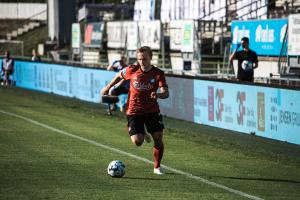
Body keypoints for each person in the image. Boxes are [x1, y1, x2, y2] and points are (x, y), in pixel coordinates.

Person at [101, 46, 169, 175]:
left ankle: (157, 167)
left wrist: (158, 95)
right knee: (138, 142)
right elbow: (118, 75)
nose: (142, 62)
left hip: (152, 111)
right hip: (134, 111)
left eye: (144, 59)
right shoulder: (132, 69)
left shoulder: (158, 73)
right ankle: (141, 131)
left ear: (151, 58)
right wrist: (108, 87)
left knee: (158, 139)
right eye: (139, 59)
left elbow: (166, 93)